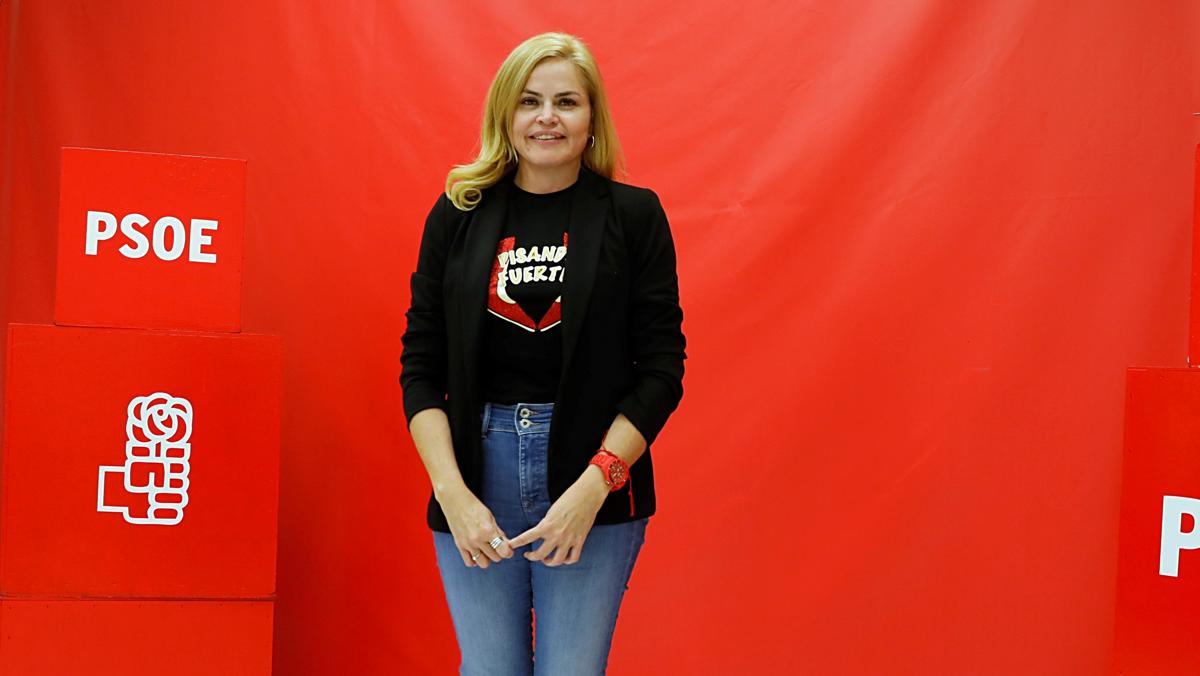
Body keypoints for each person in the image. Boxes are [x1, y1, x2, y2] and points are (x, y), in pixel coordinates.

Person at [399, 31, 685, 676]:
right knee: (489, 668)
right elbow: (421, 367)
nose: (547, 118)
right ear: (506, 114)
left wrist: (595, 486)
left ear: (592, 118)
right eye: (529, 101)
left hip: (593, 470)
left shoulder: (634, 216)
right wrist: (453, 493)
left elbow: (661, 370)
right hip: (477, 471)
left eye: (567, 102)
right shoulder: (457, 215)